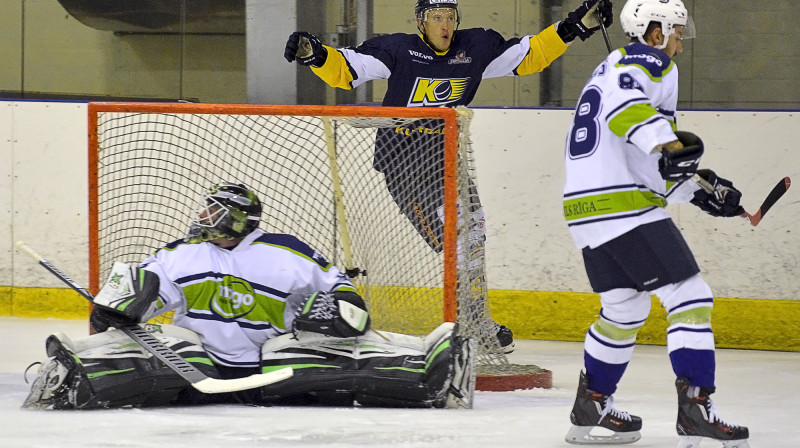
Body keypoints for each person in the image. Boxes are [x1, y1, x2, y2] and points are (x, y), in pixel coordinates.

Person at [283, 0, 615, 353]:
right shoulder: (399, 49)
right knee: (456, 241)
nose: (444, 25)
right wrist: (314, 54)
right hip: (404, 165)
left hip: (447, 161)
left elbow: (527, 55)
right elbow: (349, 69)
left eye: (450, 17)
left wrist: (573, 26)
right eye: (436, 18)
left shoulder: (475, 48)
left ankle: (475, 321)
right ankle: (465, 324)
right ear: (420, 23)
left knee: (474, 234)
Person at [23, 181, 475, 410]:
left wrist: (339, 310)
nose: (203, 215)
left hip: (277, 370)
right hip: (202, 371)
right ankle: (75, 372)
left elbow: (344, 294)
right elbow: (144, 289)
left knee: (320, 355)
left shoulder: (287, 252)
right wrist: (116, 307)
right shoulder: (182, 254)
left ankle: (433, 368)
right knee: (171, 344)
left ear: (236, 219)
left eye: (213, 209)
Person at [561, 1, 751, 446]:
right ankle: (695, 412)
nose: (679, 45)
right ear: (654, 31)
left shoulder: (611, 68)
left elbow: (648, 158)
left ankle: (591, 405)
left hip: (586, 210)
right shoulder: (649, 59)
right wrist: (666, 142)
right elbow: (628, 115)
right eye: (677, 34)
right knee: (690, 295)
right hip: (622, 205)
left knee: (625, 309)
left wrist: (702, 192)